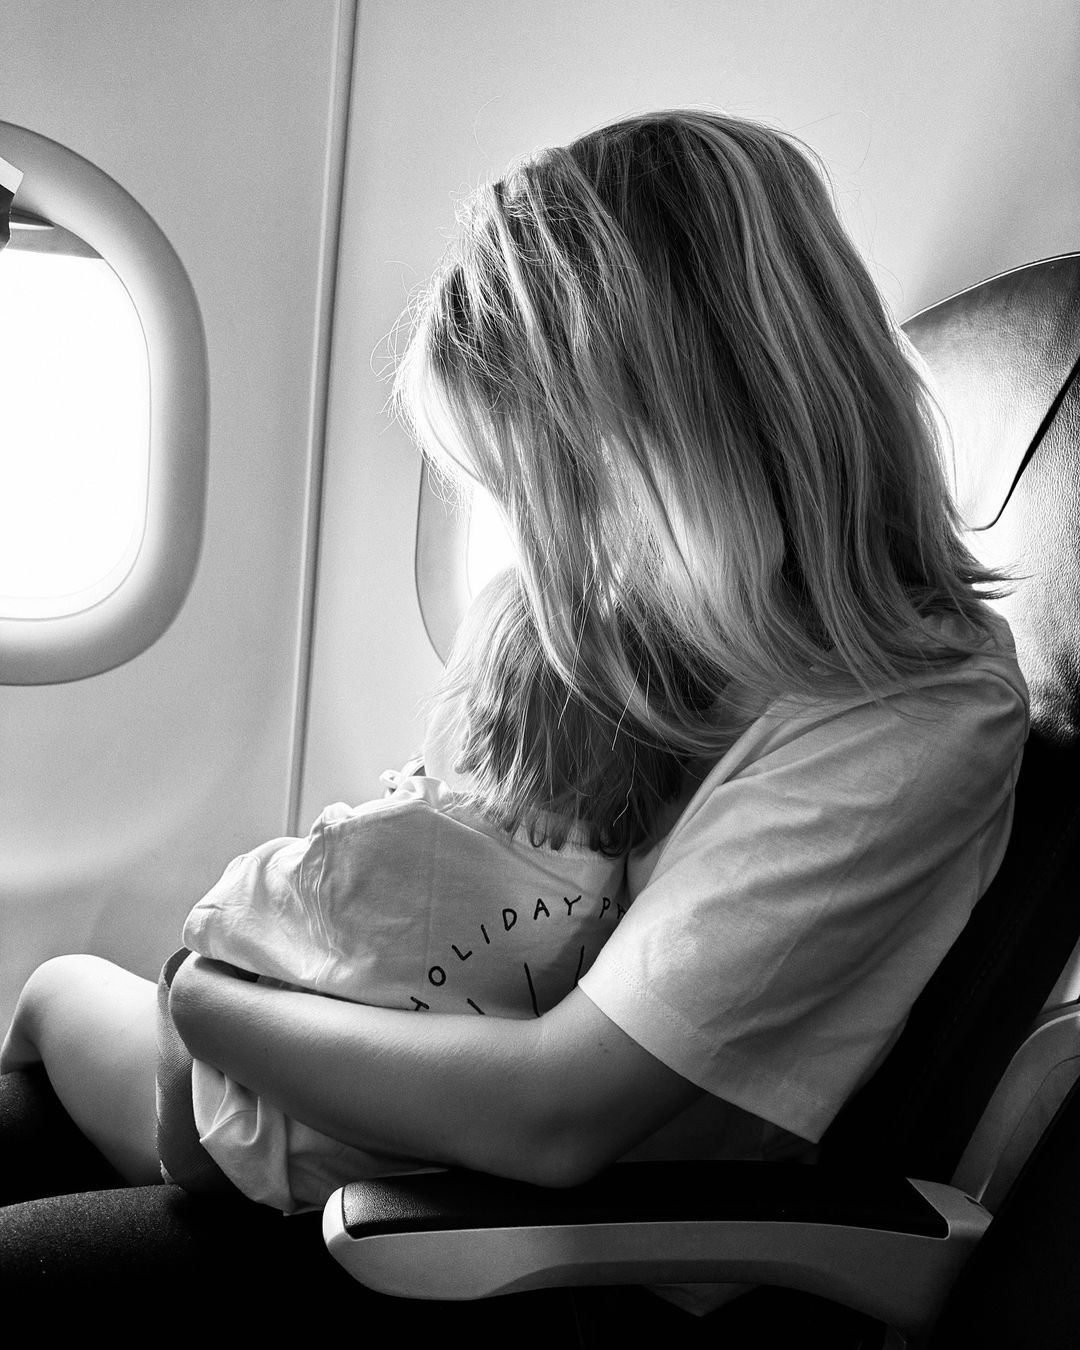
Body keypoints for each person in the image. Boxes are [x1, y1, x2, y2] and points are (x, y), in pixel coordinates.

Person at [0, 108, 1027, 1338]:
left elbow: (555, 1114)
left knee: (54, 1077)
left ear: (663, 437)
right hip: (422, 1159)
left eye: (549, 482)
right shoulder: (623, 634)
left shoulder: (906, 716)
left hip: (543, 1255)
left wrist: (202, 998)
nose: (542, 544)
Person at [1, 566, 689, 1214]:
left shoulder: (390, 841)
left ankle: (15, 1079)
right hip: (419, 1174)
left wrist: (386, 811)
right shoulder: (622, 881)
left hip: (257, 1142)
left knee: (60, 983)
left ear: (470, 715)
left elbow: (221, 921)